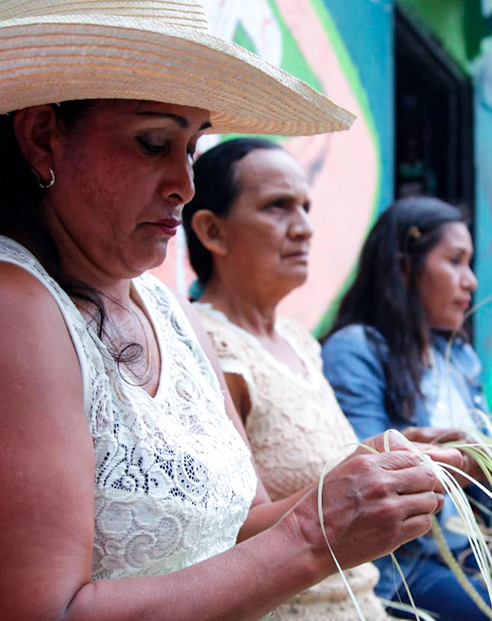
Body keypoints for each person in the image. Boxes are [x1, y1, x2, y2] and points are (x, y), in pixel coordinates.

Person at [0, 0, 456, 620]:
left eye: (192, 145)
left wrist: (360, 480)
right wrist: (314, 534)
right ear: (41, 136)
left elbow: (227, 538)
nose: (185, 182)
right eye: (153, 142)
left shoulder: (162, 306)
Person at [184, 137, 398, 620]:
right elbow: (231, 534)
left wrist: (402, 456)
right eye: (278, 208)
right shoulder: (209, 347)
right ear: (213, 232)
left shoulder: (301, 342)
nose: (304, 229)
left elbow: (332, 475)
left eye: (305, 207)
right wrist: (369, 476)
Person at [320, 196, 492, 620]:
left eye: (470, 263)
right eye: (455, 261)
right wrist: (476, 464)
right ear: (405, 267)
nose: (471, 281)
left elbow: (476, 458)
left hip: (467, 555)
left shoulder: (459, 357)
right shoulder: (357, 350)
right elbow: (367, 474)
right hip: (403, 569)